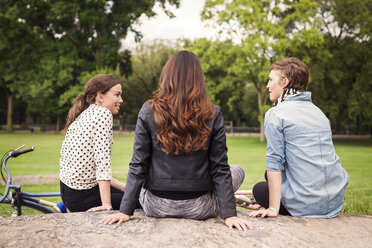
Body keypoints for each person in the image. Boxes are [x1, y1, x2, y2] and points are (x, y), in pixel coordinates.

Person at [100, 51, 253, 231]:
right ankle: (225, 198)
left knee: (142, 177)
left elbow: (138, 164)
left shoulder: (148, 110)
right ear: (198, 79)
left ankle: (221, 197)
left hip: (155, 206)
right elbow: (219, 168)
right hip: (200, 207)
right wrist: (229, 215)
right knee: (236, 170)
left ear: (166, 77)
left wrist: (125, 211)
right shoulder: (213, 112)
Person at [248, 57, 349, 218]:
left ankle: (284, 203)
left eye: (271, 80)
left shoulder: (275, 114)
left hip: (305, 206)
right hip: (335, 202)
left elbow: (275, 162)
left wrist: (273, 208)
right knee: (269, 177)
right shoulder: (319, 113)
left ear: (284, 82)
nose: (267, 86)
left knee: (260, 189)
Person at [59, 74, 127, 212]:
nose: (121, 100)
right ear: (100, 96)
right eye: (117, 95)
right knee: (140, 199)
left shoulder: (86, 113)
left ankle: (61, 207)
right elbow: (102, 164)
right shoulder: (103, 114)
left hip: (68, 193)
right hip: (82, 197)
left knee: (128, 192)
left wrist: (122, 186)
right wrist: (106, 204)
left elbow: (91, 168)